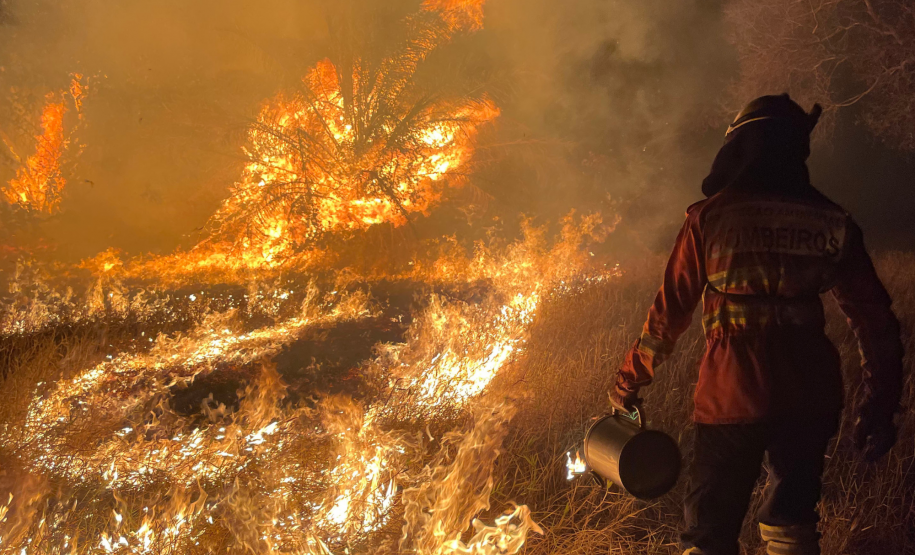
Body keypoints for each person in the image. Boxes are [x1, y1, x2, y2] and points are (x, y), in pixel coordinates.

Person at [609, 94, 904, 555]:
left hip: (732, 395)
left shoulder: (710, 218)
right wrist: (880, 402)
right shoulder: (832, 221)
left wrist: (628, 381)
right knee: (792, 522)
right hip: (810, 395)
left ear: (738, 147)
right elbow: (875, 321)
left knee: (709, 532)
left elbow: (667, 317)